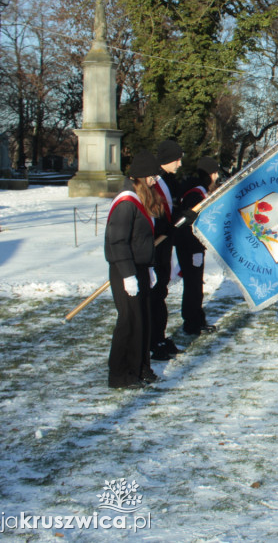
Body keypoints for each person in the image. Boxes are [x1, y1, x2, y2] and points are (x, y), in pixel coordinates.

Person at [105, 151, 164, 388]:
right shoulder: (126, 202)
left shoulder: (139, 199)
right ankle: (120, 374)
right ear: (141, 176)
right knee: (128, 322)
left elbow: (141, 239)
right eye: (152, 176)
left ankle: (140, 367)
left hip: (139, 267)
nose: (155, 181)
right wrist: (128, 275)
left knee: (142, 320)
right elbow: (117, 241)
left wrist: (148, 267)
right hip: (125, 269)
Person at [176, 156, 220, 335]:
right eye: (215, 173)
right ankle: (192, 323)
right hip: (190, 247)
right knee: (193, 286)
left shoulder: (199, 191)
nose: (217, 176)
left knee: (195, 285)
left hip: (193, 247)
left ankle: (196, 319)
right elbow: (191, 225)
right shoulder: (196, 194)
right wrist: (195, 250)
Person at [150, 139, 184, 361]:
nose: (180, 164)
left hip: (165, 244)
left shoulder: (169, 180)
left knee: (161, 292)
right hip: (154, 246)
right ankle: (153, 341)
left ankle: (160, 336)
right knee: (154, 295)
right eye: (177, 159)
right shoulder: (154, 181)